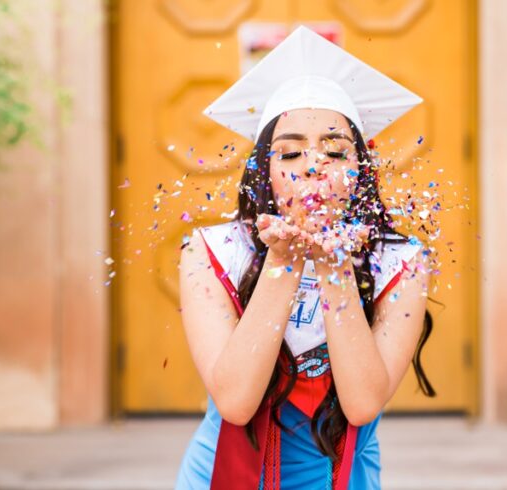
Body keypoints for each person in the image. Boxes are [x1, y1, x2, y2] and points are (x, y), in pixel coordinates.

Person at [174, 26, 435, 489]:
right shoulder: (211, 251)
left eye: (335, 151)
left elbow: (362, 403)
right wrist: (284, 262)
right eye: (290, 152)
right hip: (224, 475)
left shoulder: (402, 262)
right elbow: (235, 401)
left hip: (341, 475)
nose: (313, 167)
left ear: (361, 169)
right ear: (264, 169)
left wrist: (334, 265)